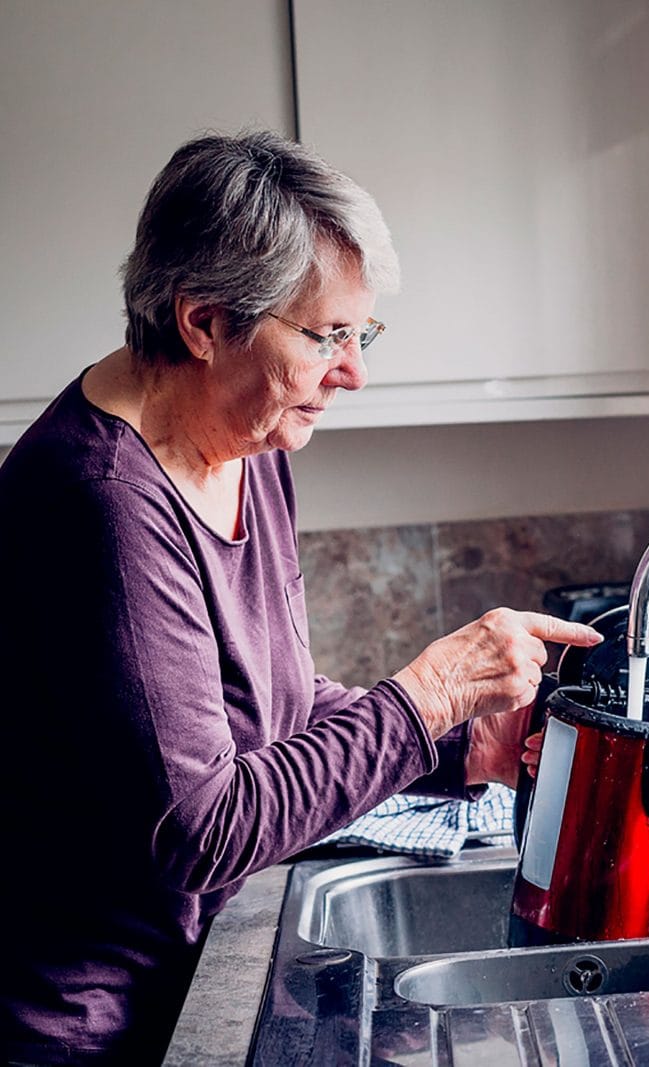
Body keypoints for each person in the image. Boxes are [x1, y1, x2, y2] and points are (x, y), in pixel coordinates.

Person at [0, 130, 601, 1065]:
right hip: (79, 1026)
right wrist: (425, 695)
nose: (355, 369)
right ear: (203, 323)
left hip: (180, 975)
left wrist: (457, 738)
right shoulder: (102, 504)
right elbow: (201, 830)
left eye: (363, 333)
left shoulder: (248, 438)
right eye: (325, 335)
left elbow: (274, 710)